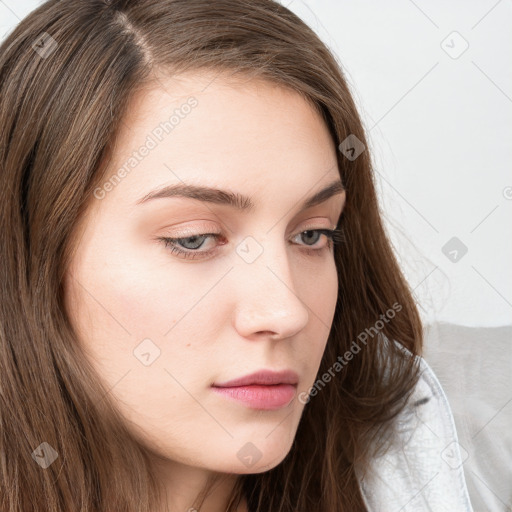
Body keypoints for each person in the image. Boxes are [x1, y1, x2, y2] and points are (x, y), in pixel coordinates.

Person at [0, 1, 473, 510]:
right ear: (31, 257)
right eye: (194, 239)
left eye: (312, 235)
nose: (286, 312)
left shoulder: (473, 447)